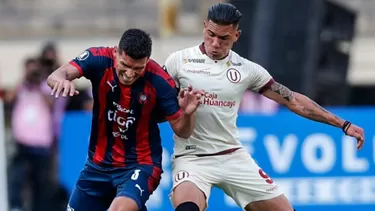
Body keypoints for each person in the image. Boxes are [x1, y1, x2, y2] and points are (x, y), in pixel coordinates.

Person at [163, 3, 365, 211]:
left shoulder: (247, 70)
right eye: (211, 34)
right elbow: (152, 97)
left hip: (232, 156)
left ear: (236, 36)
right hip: (192, 158)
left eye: (223, 38)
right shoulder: (179, 62)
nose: (215, 43)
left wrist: (343, 124)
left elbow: (293, 100)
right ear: (204, 26)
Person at [47, 28, 202, 211]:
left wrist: (189, 113)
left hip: (140, 165)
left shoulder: (159, 80)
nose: (129, 74)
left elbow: (183, 131)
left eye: (138, 68)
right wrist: (61, 81)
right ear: (115, 52)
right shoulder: (97, 58)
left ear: (147, 61)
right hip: (97, 165)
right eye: (125, 65)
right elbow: (56, 75)